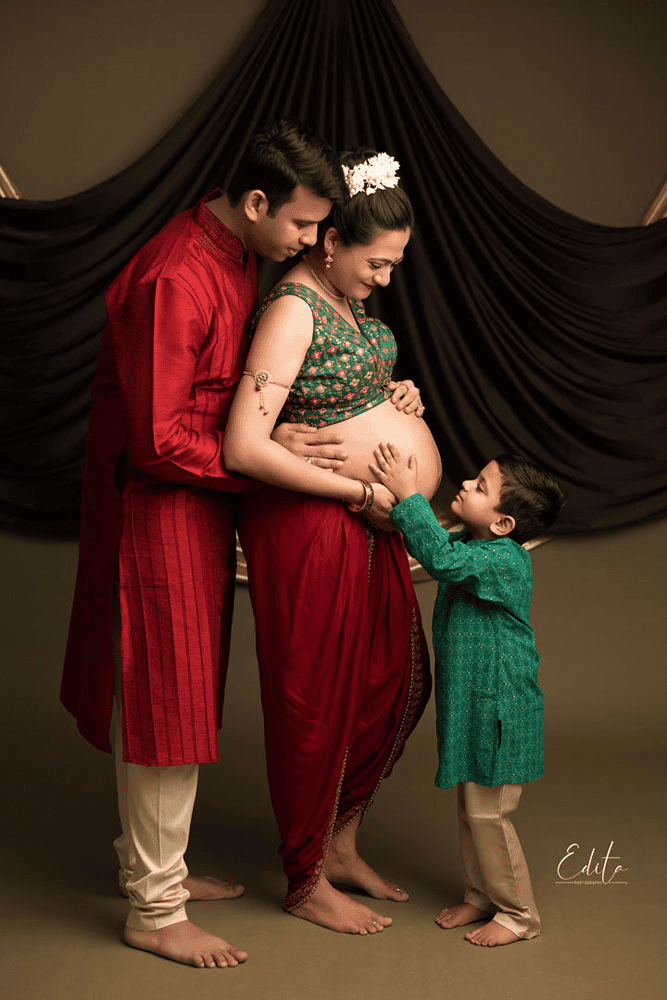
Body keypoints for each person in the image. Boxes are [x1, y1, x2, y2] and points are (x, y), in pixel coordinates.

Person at [60, 119, 352, 968]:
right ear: (256, 201)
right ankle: (153, 910)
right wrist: (265, 462)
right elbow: (156, 440)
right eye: (300, 225)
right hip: (155, 508)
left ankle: (159, 873)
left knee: (177, 702)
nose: (308, 242)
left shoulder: (234, 254)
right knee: (167, 710)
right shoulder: (176, 276)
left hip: (195, 508)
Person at [224, 150, 441, 935]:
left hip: (367, 522)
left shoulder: (346, 306)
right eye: (376, 263)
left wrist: (395, 393)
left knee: (389, 683)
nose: (385, 280)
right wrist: (360, 489)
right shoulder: (291, 308)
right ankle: (305, 874)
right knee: (315, 696)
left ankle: (340, 843)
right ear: (330, 242)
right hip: (311, 523)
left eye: (395, 267)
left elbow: (337, 390)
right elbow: (245, 446)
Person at [369, 444, 565, 946]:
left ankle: (518, 914)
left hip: (501, 707)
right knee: (471, 809)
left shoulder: (501, 561)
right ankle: (481, 896)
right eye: (474, 478)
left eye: (480, 487)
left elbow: (437, 555)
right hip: (475, 705)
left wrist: (408, 494)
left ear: (503, 525)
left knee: (489, 813)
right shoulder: (478, 546)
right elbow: (438, 544)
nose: (466, 485)